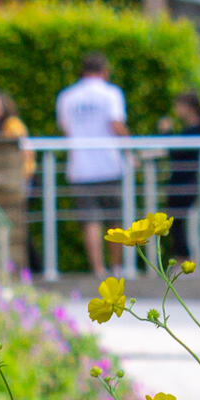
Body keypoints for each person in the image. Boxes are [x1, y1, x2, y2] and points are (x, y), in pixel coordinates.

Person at [55, 50, 130, 275]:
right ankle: (116, 267)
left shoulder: (67, 96)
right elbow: (116, 124)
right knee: (114, 220)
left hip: (80, 167)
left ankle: (98, 269)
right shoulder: (111, 93)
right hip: (109, 164)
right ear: (104, 71)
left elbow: (66, 129)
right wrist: (130, 148)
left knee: (90, 221)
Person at [160, 89, 200, 264]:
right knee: (176, 222)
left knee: (176, 222)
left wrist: (166, 133)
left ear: (188, 107)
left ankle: (184, 259)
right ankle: (183, 258)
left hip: (184, 183)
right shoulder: (194, 130)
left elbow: (176, 151)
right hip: (182, 182)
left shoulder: (196, 131)